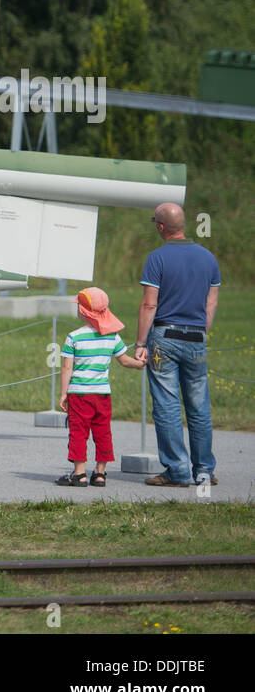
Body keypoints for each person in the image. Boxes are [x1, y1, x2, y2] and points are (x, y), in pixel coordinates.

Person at [132, 203, 221, 487]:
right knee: (198, 406)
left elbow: (149, 304)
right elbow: (211, 302)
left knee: (167, 406)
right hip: (197, 337)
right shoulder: (208, 258)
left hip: (164, 338)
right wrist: (201, 333)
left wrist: (140, 342)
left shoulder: (156, 258)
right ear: (183, 225)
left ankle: (177, 471)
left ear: (160, 227)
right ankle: (204, 469)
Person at [56, 287, 144, 487]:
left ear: (83, 312)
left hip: (79, 395)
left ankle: (79, 474)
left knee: (78, 432)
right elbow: (124, 360)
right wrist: (140, 364)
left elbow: (66, 367)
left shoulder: (74, 337)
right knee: (103, 431)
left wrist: (63, 393)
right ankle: (100, 472)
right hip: (103, 395)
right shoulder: (112, 336)